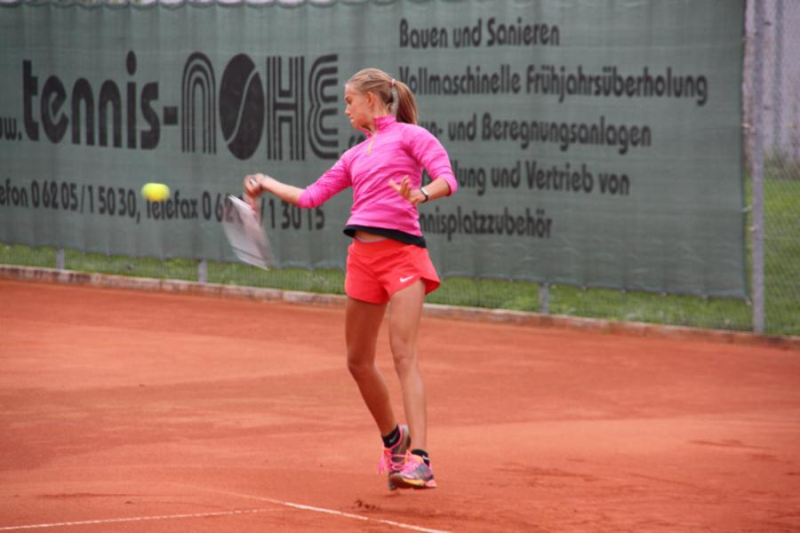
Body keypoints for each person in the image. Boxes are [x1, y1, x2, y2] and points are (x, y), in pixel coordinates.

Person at [244, 67, 458, 490]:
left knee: (403, 356)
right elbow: (310, 197)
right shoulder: (354, 156)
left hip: (403, 256)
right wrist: (265, 182)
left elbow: (447, 178)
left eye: (349, 101)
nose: (346, 110)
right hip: (362, 260)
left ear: (371, 101)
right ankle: (394, 440)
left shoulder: (412, 137)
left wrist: (420, 194)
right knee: (357, 361)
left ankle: (421, 459)